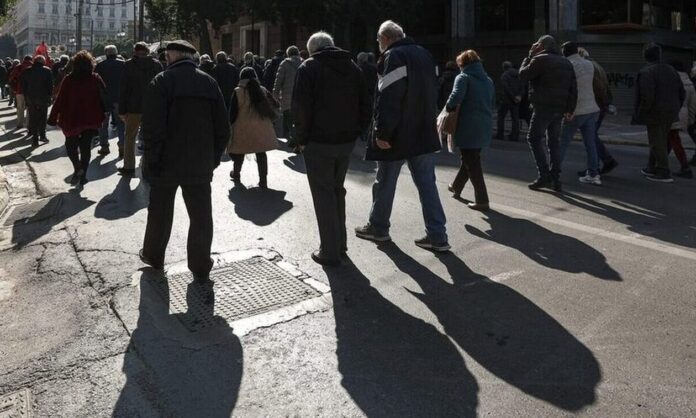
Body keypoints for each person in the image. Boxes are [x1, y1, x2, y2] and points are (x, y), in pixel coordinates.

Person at [355, 20, 450, 252]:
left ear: (385, 38)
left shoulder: (393, 56)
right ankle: (438, 236)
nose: (378, 44)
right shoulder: (425, 55)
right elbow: (434, 92)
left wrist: (382, 133)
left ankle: (378, 227)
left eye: (379, 40)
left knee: (385, 182)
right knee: (427, 185)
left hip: (398, 134)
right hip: (423, 131)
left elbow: (389, 97)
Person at [139, 40, 230, 282]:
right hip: (199, 161)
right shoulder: (208, 82)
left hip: (165, 162)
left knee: (159, 212)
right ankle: (200, 265)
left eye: (166, 55)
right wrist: (212, 158)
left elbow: (152, 127)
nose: (165, 59)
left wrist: (151, 159)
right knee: (201, 216)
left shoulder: (161, 81)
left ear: (172, 56)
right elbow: (223, 127)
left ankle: (153, 256)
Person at [292, 32, 371, 266]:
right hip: (345, 141)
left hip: (318, 142)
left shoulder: (309, 68)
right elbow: (366, 103)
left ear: (312, 50)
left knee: (323, 194)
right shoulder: (353, 67)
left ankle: (330, 249)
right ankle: (339, 243)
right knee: (336, 190)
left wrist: (300, 139)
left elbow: (301, 108)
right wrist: (358, 131)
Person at [519, 35, 577, 192]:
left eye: (537, 45)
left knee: (533, 138)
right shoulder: (566, 62)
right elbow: (573, 88)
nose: (534, 46)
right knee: (553, 142)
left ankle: (544, 175)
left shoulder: (540, 59)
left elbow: (523, 75)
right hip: (559, 109)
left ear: (541, 46)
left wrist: (529, 56)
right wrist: (570, 109)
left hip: (543, 107)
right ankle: (555, 178)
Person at [445, 50, 495, 211]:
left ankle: (482, 200)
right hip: (484, 124)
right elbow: (492, 101)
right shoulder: (488, 80)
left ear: (463, 64)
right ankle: (456, 186)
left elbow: (455, 97)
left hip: (468, 125)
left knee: (472, 163)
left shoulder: (463, 77)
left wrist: (448, 107)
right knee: (470, 158)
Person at [47, 51, 106, 186]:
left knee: (70, 145)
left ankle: (77, 168)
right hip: (91, 117)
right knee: (86, 148)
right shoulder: (95, 78)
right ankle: (83, 175)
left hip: (72, 117)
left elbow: (60, 100)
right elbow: (104, 94)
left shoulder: (69, 79)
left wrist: (52, 117)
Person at [632, 44, 684, 183]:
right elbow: (681, 92)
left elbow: (647, 96)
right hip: (671, 110)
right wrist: (676, 107)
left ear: (645, 56)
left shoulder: (647, 71)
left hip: (655, 111)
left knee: (656, 141)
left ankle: (663, 170)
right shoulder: (671, 70)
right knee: (660, 140)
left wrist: (642, 112)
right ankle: (651, 166)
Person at [558, 42, 602, 185]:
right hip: (591, 108)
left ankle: (553, 172)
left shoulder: (567, 65)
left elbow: (567, 90)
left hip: (575, 110)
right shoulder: (589, 64)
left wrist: (567, 110)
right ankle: (594, 174)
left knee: (562, 142)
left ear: (564, 52)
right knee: (590, 144)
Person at [227, 67, 279, 188]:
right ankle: (263, 180)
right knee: (261, 153)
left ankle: (236, 174)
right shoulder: (262, 90)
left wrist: (230, 126)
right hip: (261, 128)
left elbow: (232, 113)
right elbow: (276, 104)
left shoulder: (238, 92)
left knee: (239, 152)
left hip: (242, 128)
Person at [118, 42, 163, 177]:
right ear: (147, 52)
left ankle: (129, 166)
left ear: (135, 51)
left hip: (133, 107)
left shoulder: (128, 65)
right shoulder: (156, 65)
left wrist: (122, 110)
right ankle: (151, 164)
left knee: (130, 137)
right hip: (152, 107)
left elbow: (124, 88)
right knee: (152, 137)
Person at [576, 47, 619, 176]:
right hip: (599, 105)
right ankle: (604, 161)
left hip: (594, 106)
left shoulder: (588, 67)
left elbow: (595, 88)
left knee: (590, 136)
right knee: (591, 135)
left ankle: (597, 165)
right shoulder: (597, 66)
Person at [95, 45, 126, 157]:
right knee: (121, 123)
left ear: (106, 53)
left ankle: (104, 146)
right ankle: (122, 146)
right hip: (119, 98)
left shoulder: (100, 65)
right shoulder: (123, 64)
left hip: (104, 99)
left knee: (103, 124)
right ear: (116, 53)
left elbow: (96, 83)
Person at [667, 60, 695, 178]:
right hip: (683, 115)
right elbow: (692, 105)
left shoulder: (672, 81)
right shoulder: (689, 83)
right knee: (670, 138)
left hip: (673, 114)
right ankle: (658, 164)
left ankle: (685, 167)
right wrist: (690, 120)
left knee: (674, 139)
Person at [273, 46, 302, 148]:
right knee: (300, 120)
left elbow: (278, 81)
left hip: (287, 98)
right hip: (302, 97)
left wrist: (275, 95)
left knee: (289, 120)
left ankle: (295, 139)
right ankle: (297, 139)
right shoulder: (304, 63)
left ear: (288, 54)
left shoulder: (285, 63)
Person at [20, 55, 53, 147]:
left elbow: (23, 85)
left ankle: (35, 139)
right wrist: (49, 97)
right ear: (42, 61)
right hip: (43, 97)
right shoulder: (47, 71)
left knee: (33, 117)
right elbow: (50, 86)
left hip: (31, 97)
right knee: (43, 117)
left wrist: (26, 96)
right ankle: (42, 135)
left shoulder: (27, 70)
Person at [497, 61, 525, 141]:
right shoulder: (519, 74)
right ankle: (515, 136)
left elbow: (506, 88)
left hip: (506, 100)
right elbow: (523, 87)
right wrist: (519, 96)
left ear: (504, 67)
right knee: (515, 118)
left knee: (501, 117)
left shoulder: (504, 75)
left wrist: (513, 97)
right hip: (516, 100)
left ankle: (500, 134)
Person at [9, 56, 33, 129]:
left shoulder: (18, 67)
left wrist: (14, 88)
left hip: (19, 90)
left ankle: (20, 124)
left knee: (20, 108)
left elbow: (11, 78)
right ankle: (29, 124)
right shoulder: (33, 66)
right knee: (29, 108)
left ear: (23, 60)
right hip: (30, 91)